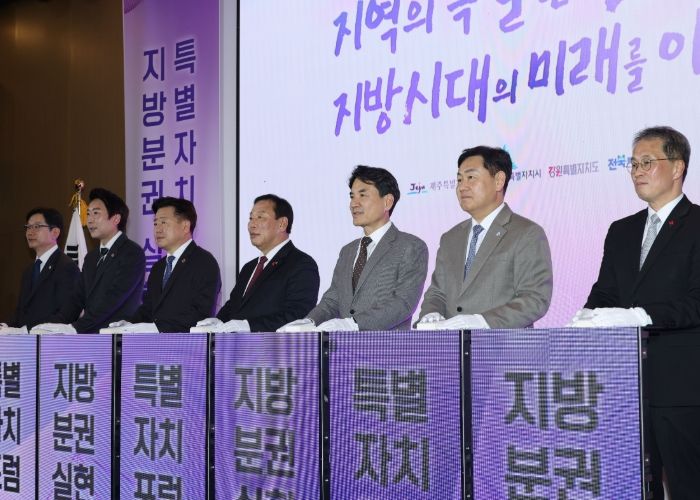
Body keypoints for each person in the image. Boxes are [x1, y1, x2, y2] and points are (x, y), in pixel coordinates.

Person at [570, 126, 700, 499]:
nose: (637, 171)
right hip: (624, 385)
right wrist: (585, 318)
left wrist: (640, 315)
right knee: (634, 487)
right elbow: (605, 292)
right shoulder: (621, 231)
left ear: (678, 168)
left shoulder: (697, 225)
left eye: (647, 162)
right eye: (633, 164)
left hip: (682, 388)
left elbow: (696, 301)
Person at [278, 165, 428, 332]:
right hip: (343, 347)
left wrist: (354, 324)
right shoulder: (347, 251)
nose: (353, 204)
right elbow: (333, 300)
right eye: (352, 196)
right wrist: (309, 322)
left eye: (362, 195)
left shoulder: (410, 246)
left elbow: (403, 303)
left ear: (387, 202)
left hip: (387, 347)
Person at [417, 146, 552, 329]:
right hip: (453, 345)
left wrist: (483, 321)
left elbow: (535, 298)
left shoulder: (526, 233)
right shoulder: (450, 238)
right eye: (459, 179)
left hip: (502, 345)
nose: (462, 187)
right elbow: (437, 293)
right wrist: (431, 313)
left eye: (471, 178)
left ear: (499, 181)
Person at [195, 194, 319, 332]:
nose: (252, 225)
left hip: (272, 345)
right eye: (251, 218)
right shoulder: (249, 267)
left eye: (260, 217)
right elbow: (233, 307)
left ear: (282, 224)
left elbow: (298, 315)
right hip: (237, 344)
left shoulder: (301, 264)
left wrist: (250, 326)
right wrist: (218, 321)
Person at [33, 188, 145, 333]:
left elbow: (113, 300)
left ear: (116, 219)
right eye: (88, 214)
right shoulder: (91, 257)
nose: (89, 220)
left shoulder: (132, 253)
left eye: (96, 213)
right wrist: (49, 326)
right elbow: (76, 300)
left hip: (118, 337)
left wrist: (76, 327)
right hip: (91, 335)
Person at [110, 197, 221, 333]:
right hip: (156, 343)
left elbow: (201, 314)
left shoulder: (204, 262)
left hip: (186, 344)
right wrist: (129, 324)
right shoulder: (158, 267)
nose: (158, 229)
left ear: (185, 226)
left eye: (164, 222)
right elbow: (148, 310)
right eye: (155, 223)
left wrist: (158, 328)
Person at [1, 208, 80, 331]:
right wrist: (5, 326)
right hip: (27, 339)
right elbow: (21, 313)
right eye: (28, 227)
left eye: (37, 227)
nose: (30, 232)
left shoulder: (66, 266)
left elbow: (67, 314)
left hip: (49, 339)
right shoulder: (28, 271)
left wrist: (29, 330)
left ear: (55, 232)